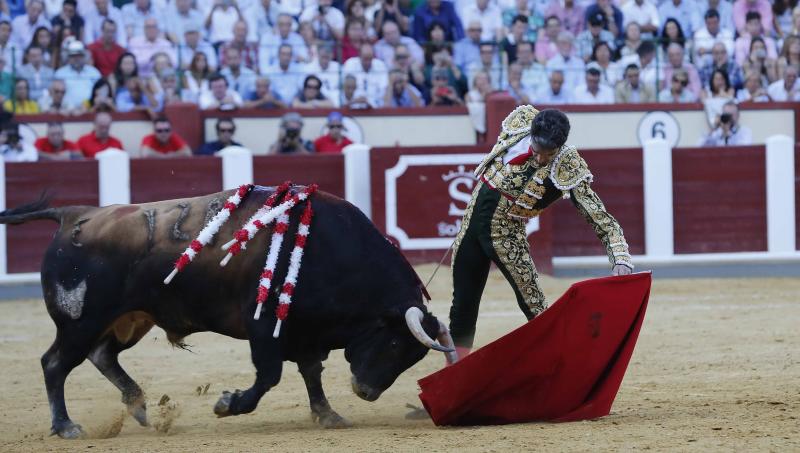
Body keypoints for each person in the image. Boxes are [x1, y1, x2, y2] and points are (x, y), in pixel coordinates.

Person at [447, 106, 633, 359]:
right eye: (537, 151)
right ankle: (453, 375)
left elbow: (598, 215)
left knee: (535, 308)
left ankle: (560, 366)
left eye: (549, 154)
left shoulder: (567, 163)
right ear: (531, 134)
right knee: (462, 306)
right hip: (470, 226)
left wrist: (620, 256)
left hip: (507, 236)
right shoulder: (520, 122)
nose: (542, 159)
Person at [53, 39, 101, 110]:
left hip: (90, 110)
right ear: (68, 57)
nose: (76, 58)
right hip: (66, 111)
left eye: (79, 55)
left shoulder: (94, 72)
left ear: (84, 56)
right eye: (73, 56)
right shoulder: (60, 73)